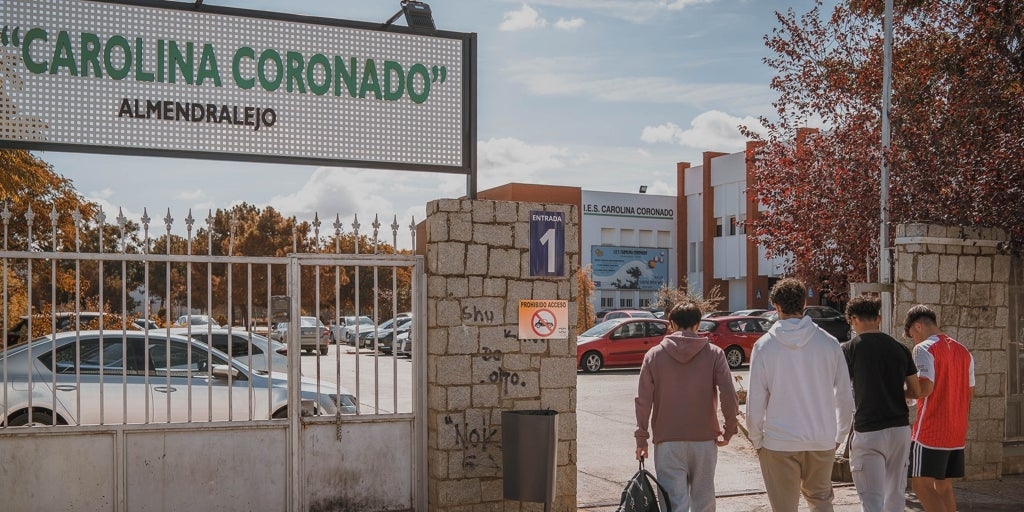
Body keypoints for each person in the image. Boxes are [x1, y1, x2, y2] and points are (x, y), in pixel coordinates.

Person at [746, 278, 854, 512]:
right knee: (821, 502)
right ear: (804, 302)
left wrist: (757, 439)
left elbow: (755, 399)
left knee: (784, 508)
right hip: (821, 437)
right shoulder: (830, 343)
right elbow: (844, 395)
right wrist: (839, 434)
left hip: (779, 440)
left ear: (775, 306)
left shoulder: (764, 346)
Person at [634, 301, 739, 512]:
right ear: (698, 324)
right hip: (704, 439)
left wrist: (642, 438)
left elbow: (643, 400)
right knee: (704, 500)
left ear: (671, 324)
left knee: (673, 503)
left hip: (667, 441)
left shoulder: (654, 355)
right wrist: (730, 430)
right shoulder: (714, 353)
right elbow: (729, 394)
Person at [842, 296, 921, 512]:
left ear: (853, 319)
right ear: (879, 318)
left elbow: (839, 389)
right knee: (895, 493)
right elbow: (916, 390)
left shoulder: (849, 349)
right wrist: (893, 391)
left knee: (871, 500)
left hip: (869, 431)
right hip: (899, 430)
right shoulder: (899, 348)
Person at [903, 304, 975, 512]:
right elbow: (970, 392)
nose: (913, 341)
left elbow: (924, 389)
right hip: (956, 431)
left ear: (918, 326)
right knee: (943, 485)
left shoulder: (923, 348)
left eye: (912, 335)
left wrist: (900, 393)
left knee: (921, 486)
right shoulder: (964, 351)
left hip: (931, 431)